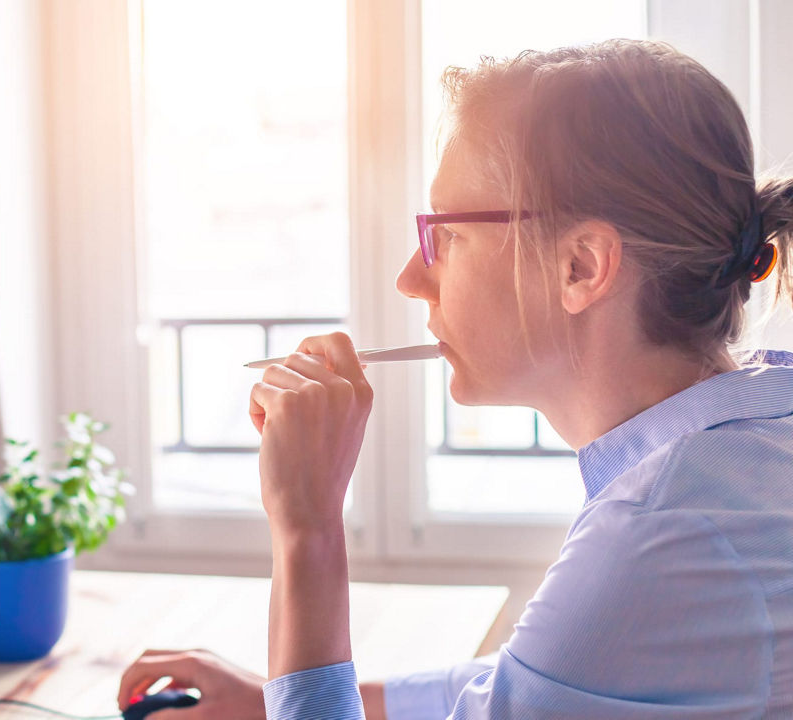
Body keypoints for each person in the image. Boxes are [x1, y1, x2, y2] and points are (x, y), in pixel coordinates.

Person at [117, 38, 793, 719]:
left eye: (446, 235)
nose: (412, 279)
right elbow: (531, 679)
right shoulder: (747, 445)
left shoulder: (659, 533)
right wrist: (272, 701)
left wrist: (308, 528)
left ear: (582, 267)